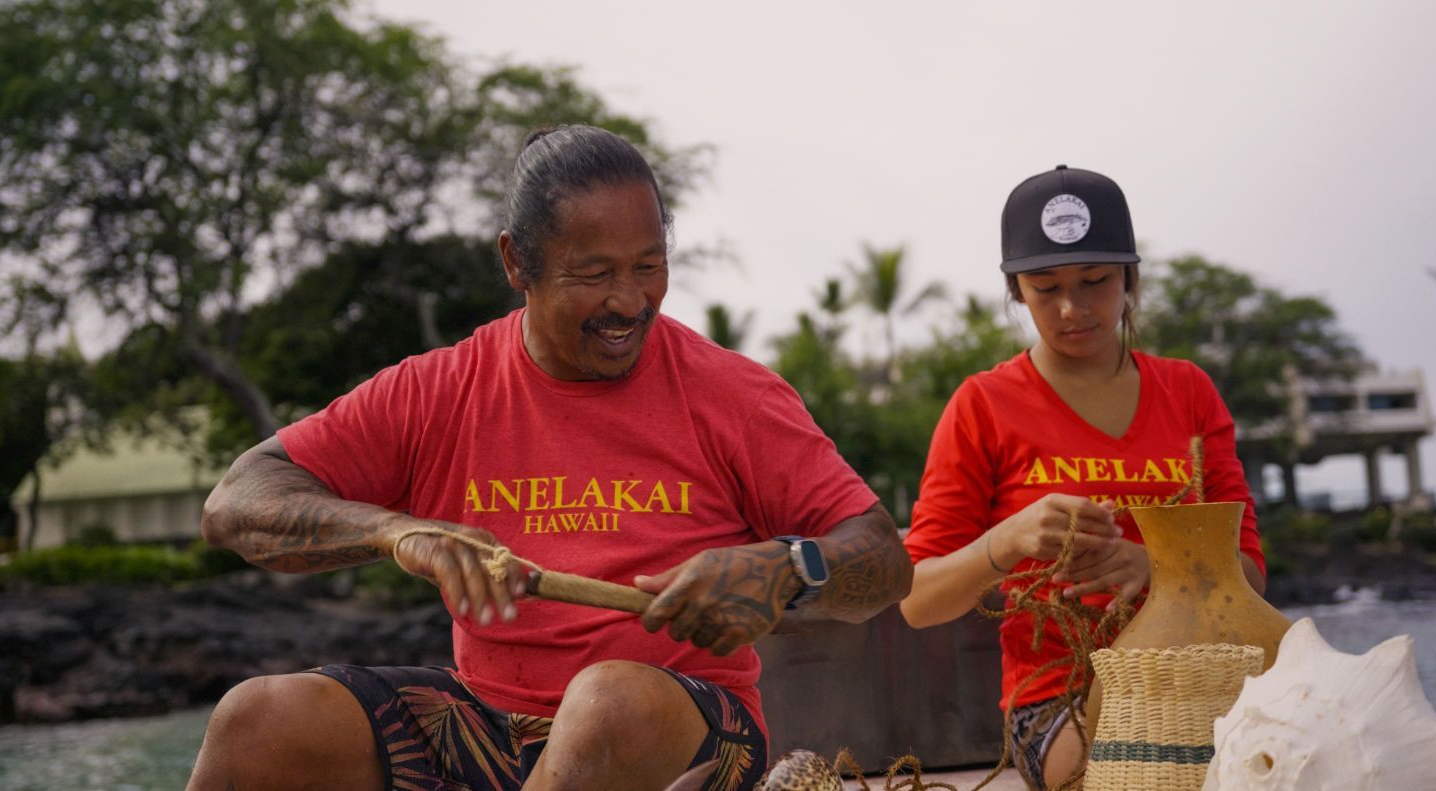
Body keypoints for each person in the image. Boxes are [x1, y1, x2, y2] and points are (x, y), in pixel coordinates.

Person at [187, 125, 912, 791]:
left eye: (649, 265)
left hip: (685, 731)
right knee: (256, 720)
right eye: (594, 274)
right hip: (483, 725)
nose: (629, 300)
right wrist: (397, 531)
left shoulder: (734, 393)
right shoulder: (439, 389)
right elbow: (236, 503)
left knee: (606, 701)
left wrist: (791, 567)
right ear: (515, 262)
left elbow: (884, 557)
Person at [898, 166, 1265, 790]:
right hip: (1057, 698)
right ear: (1017, 292)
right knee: (1127, 772)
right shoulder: (983, 404)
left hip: (1203, 672)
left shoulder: (1188, 392)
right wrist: (1005, 542)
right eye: (1046, 288)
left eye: (1095, 281)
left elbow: (1251, 574)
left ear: (1129, 277)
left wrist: (1157, 565)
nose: (1073, 308)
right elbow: (916, 600)